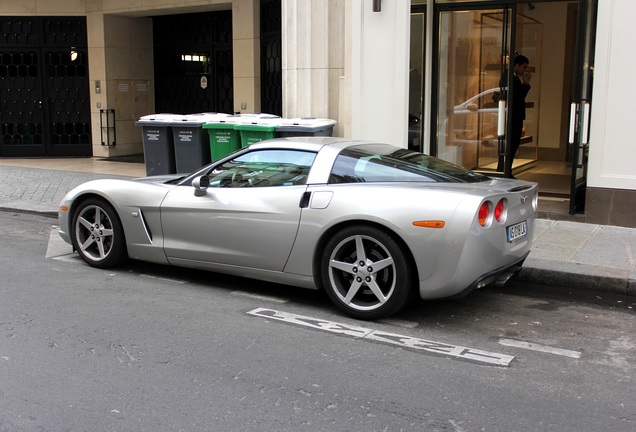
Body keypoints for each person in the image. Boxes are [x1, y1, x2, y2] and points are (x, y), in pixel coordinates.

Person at [507, 54, 532, 177]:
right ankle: (506, 171)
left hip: (516, 117)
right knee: (511, 145)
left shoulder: (515, 78)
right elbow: (517, 97)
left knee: (514, 144)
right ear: (516, 65)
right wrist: (526, 84)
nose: (525, 70)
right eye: (524, 67)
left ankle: (508, 170)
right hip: (512, 118)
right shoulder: (508, 78)